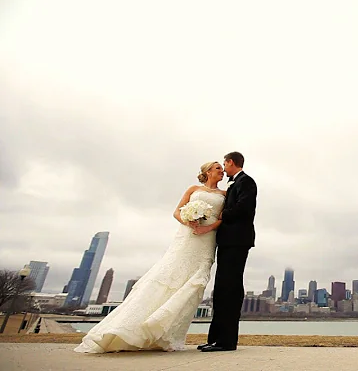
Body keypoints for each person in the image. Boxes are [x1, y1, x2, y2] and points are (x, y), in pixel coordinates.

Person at [74, 162, 226, 353]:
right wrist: (189, 221)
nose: (222, 171)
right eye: (218, 168)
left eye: (222, 168)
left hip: (206, 240)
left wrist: (207, 227)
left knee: (196, 282)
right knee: (169, 275)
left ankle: (167, 334)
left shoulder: (224, 195)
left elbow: (222, 218)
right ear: (208, 171)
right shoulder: (193, 189)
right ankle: (134, 327)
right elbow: (177, 211)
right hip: (187, 237)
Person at [198, 151, 257, 352]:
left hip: (237, 241)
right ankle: (215, 339)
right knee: (221, 290)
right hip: (226, 242)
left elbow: (245, 209)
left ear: (231, 162)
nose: (223, 167)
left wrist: (222, 214)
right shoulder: (233, 185)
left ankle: (227, 341)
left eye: (224, 163)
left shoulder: (246, 182)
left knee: (230, 290)